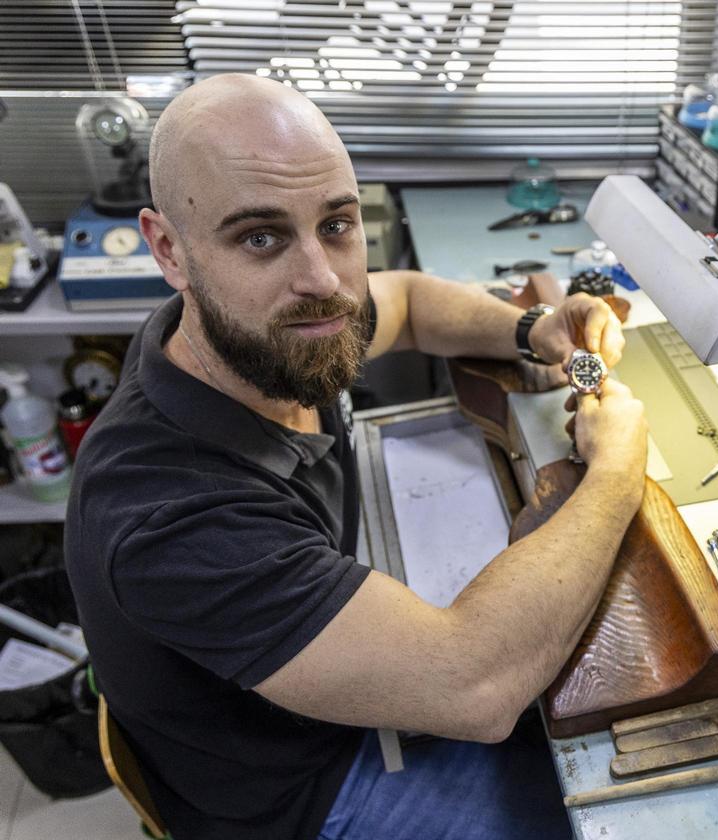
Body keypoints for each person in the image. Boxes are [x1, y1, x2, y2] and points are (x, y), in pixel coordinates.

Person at [64, 73, 648, 840]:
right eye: (261, 237)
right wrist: (615, 475)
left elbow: (406, 301)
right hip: (304, 791)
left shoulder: (253, 333)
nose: (323, 280)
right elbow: (476, 688)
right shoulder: (167, 514)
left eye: (336, 224)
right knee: (611, 810)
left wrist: (528, 329)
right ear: (170, 249)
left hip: (328, 693)